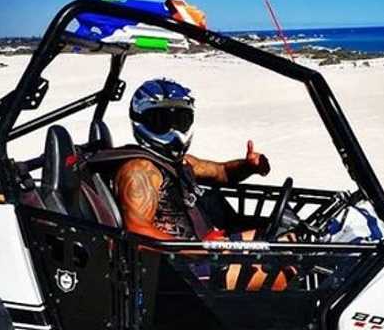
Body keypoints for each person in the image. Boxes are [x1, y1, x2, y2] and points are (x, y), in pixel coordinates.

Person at [115, 78, 271, 241]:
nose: (173, 130)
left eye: (180, 120)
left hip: (211, 247)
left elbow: (222, 172)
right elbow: (137, 231)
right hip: (187, 260)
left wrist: (249, 166)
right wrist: (200, 248)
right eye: (162, 121)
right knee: (285, 239)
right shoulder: (140, 170)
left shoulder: (181, 163)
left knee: (285, 231)